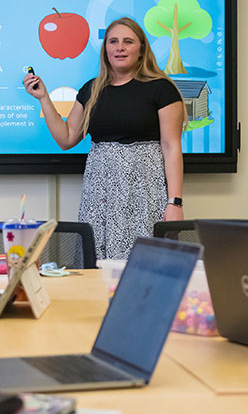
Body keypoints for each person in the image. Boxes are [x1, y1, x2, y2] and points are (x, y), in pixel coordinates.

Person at [23, 16, 185, 260]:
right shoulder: (92, 89)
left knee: (145, 266)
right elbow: (66, 138)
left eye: (128, 41)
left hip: (144, 194)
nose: (120, 47)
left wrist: (175, 203)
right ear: (105, 49)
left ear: (141, 50)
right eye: (113, 41)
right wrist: (44, 98)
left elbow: (171, 147)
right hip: (100, 195)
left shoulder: (161, 88)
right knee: (96, 264)